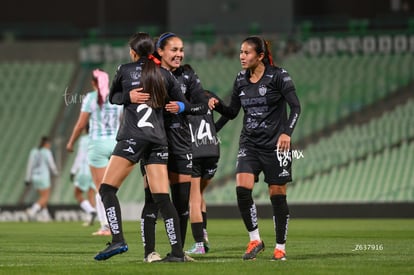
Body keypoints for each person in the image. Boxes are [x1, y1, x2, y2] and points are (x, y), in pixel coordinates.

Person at [94, 32, 209, 262]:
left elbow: (112, 97)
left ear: (133, 52)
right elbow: (186, 105)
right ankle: (177, 253)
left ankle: (118, 239)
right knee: (162, 199)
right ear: (154, 52)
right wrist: (178, 105)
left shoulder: (124, 70)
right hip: (159, 140)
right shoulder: (165, 75)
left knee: (107, 189)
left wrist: (129, 95)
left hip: (133, 137)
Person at [212, 36, 301, 261]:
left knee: (277, 195)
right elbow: (232, 112)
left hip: (275, 146)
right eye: (241, 52)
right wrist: (217, 110)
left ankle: (280, 246)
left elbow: (296, 107)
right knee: (242, 188)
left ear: (260, 56)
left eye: (247, 53)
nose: (242, 57)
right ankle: (255, 239)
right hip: (249, 144)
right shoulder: (240, 79)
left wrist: (286, 133)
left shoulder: (279, 76)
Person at [139, 33, 220, 260]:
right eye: (174, 50)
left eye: (181, 50)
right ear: (160, 51)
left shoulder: (188, 74)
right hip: (155, 142)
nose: (179, 54)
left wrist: (182, 107)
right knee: (153, 201)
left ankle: (178, 252)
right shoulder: (148, 73)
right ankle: (150, 252)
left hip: (182, 141)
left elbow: (202, 107)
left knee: (182, 203)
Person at [66, 68, 122, 236]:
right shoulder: (117, 97)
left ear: (93, 83)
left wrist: (70, 143)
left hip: (97, 145)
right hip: (116, 144)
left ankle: (106, 226)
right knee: (111, 189)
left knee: (101, 190)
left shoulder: (90, 98)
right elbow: (123, 121)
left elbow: (81, 125)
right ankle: (114, 225)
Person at [186, 90, 221, 254]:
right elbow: (228, 113)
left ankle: (200, 243)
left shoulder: (185, 103)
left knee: (193, 198)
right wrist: (214, 130)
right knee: (199, 194)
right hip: (213, 150)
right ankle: (203, 233)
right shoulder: (207, 98)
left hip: (196, 151)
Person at [25, 136, 58, 221]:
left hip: (35, 177)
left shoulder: (34, 151)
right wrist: (55, 172)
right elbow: (51, 164)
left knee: (42, 197)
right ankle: (33, 210)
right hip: (44, 177)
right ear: (46, 144)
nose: (49, 146)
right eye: (49, 144)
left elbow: (30, 165)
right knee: (45, 197)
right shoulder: (47, 152)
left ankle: (45, 215)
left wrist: (27, 178)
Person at [69, 126, 97, 226]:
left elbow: (80, 156)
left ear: (85, 129)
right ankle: (90, 218)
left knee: (77, 193)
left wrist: (73, 171)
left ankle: (91, 211)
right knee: (91, 194)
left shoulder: (84, 139)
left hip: (84, 169)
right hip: (94, 169)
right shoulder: (96, 138)